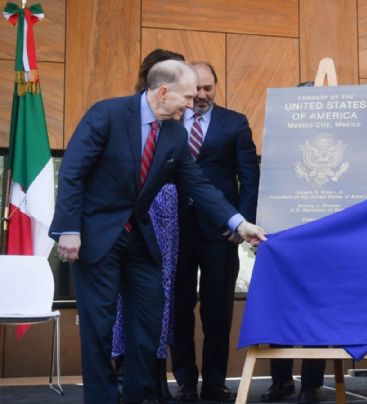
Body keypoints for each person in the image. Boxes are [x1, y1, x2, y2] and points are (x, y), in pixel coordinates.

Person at [50, 60, 266, 404]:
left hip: (139, 237)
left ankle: (137, 395)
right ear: (163, 92)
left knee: (149, 320)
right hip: (95, 235)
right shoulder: (106, 115)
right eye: (187, 96)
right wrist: (68, 229)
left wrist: (238, 222)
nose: (192, 103)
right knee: (99, 326)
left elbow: (199, 184)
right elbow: (73, 173)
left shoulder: (174, 133)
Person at [170, 61, 260, 403]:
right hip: (175, 229)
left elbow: (248, 177)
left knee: (217, 310)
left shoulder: (235, 123)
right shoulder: (172, 120)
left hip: (221, 233)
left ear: (216, 87)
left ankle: (215, 383)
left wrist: (241, 221)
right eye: (198, 89)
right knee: (179, 308)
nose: (203, 95)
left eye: (209, 88)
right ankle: (185, 381)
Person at [111, 48, 185, 404]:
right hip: (129, 209)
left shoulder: (176, 117)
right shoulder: (128, 111)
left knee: (162, 290)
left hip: (166, 208)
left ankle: (156, 375)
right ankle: (125, 370)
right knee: (128, 292)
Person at [259, 80, 327, 404]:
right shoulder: (279, 145)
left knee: (318, 310)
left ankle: (311, 384)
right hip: (284, 239)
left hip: (326, 241)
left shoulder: (339, 144)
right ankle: (281, 381)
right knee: (280, 308)